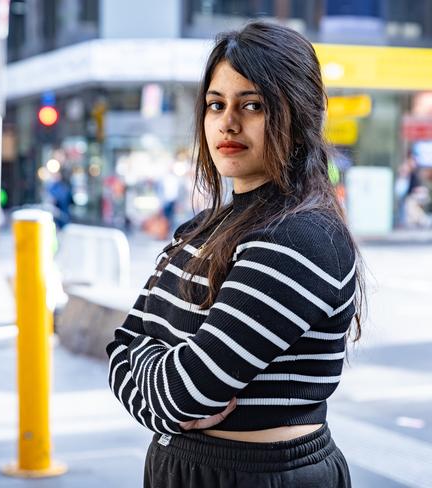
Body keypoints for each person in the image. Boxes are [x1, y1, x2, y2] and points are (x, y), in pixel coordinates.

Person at [106, 21, 364, 487]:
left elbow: (187, 393)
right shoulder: (197, 229)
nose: (227, 122)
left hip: (260, 475)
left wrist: (158, 374)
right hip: (180, 468)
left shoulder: (302, 237)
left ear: (299, 114)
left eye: (253, 105)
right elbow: (120, 348)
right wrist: (157, 372)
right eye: (215, 105)